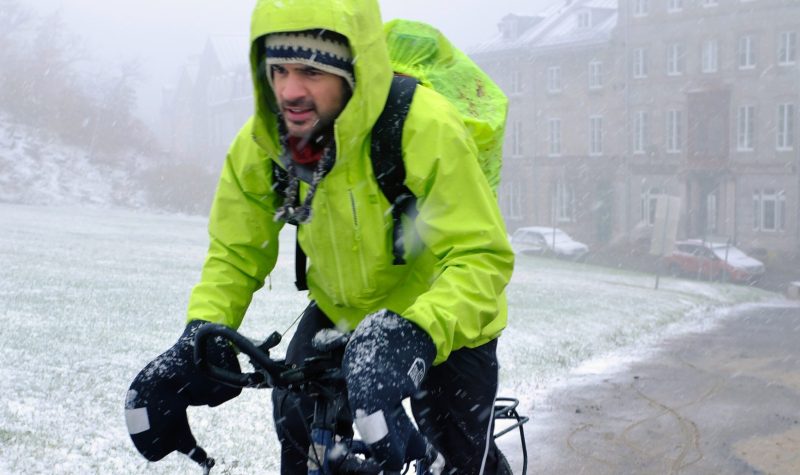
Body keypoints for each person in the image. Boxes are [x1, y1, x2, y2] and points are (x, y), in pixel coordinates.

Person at [126, 0, 515, 473]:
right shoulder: (266, 142)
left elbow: (481, 257)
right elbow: (235, 251)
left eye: (311, 70)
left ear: (352, 71)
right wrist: (200, 338)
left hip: (444, 318)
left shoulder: (422, 126)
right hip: (340, 311)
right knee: (299, 430)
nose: (290, 90)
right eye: (279, 69)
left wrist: (416, 332)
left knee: (454, 454)